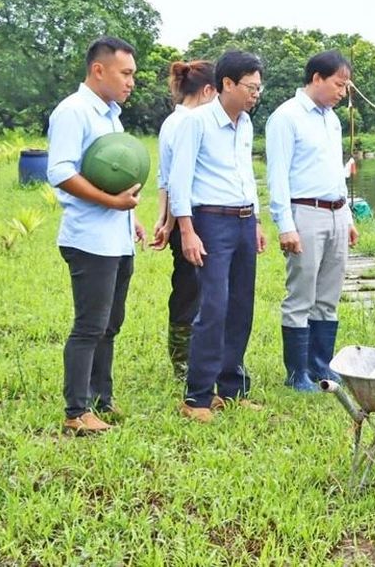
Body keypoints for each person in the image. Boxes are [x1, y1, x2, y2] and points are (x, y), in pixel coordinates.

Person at [46, 36, 145, 434]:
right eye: (126, 73)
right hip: (89, 239)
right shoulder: (73, 112)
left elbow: (113, 172)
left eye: (133, 74)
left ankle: (102, 398)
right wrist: (109, 201)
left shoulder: (110, 114)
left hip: (115, 236)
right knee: (90, 325)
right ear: (98, 70)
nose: (131, 81)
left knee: (111, 324)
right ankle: (76, 412)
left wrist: (127, 217)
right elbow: (60, 171)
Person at [168, 50, 267, 422]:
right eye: (250, 88)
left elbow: (246, 176)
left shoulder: (246, 125)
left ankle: (232, 388)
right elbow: (180, 180)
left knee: (242, 305)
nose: (256, 94)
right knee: (213, 307)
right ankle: (197, 397)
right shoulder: (197, 122)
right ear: (226, 84)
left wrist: (255, 221)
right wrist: (187, 230)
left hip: (243, 220)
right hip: (210, 221)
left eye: (259, 88)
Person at [265, 50, 358, 392]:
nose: (342, 92)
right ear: (317, 78)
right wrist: (285, 224)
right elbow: (278, 176)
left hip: (335, 211)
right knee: (301, 294)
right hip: (304, 212)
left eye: (346, 86)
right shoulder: (286, 117)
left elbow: (336, 174)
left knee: (328, 295)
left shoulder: (331, 119)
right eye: (338, 83)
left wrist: (347, 216)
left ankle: (321, 365)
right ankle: (297, 373)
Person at [149, 60, 216, 380]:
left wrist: (164, 221)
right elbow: (177, 181)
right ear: (208, 91)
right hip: (191, 219)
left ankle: (187, 358)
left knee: (190, 288)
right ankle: (183, 361)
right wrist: (173, 224)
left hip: (181, 217)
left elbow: (164, 180)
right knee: (191, 290)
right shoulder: (190, 123)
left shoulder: (171, 122)